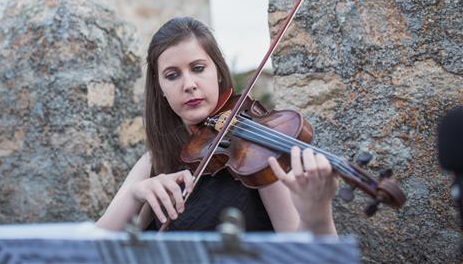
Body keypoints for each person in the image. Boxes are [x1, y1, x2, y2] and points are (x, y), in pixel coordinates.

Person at [96, 16, 338, 234]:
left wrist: (317, 214)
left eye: (198, 68)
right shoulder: (155, 161)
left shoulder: (256, 154)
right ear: (160, 88)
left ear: (218, 72)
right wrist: (135, 194)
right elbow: (91, 248)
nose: (189, 84)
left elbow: (305, 254)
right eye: (172, 75)